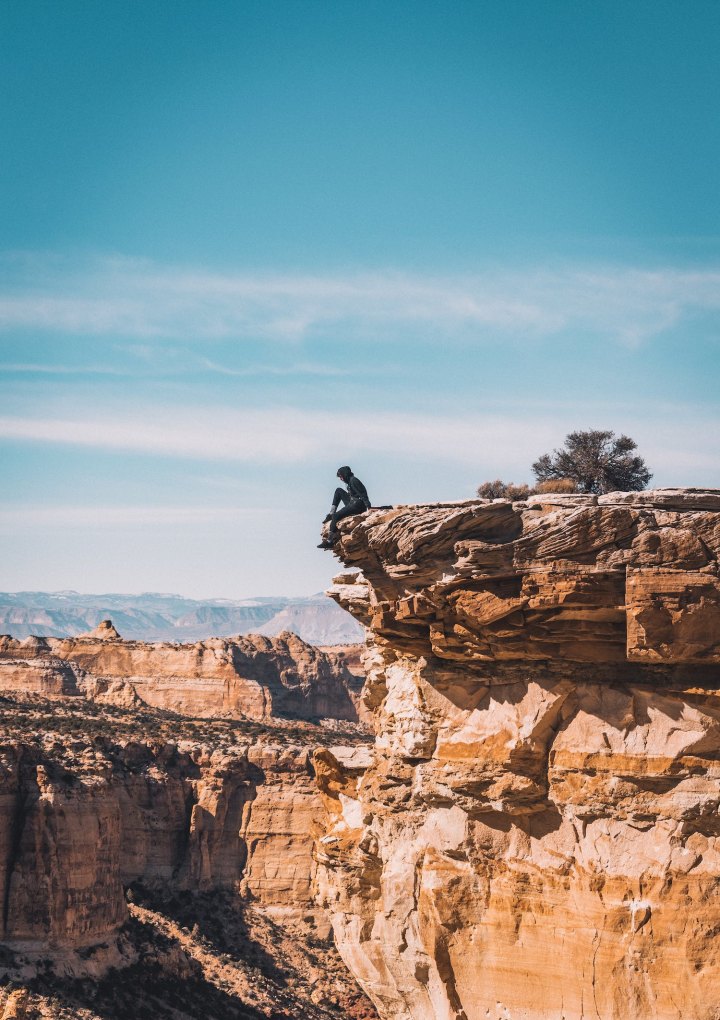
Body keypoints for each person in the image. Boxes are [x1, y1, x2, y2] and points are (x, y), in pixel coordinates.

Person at [317, 466, 371, 549]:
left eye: (341, 477)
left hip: (357, 505)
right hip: (352, 501)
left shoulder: (354, 481)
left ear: (345, 475)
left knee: (336, 516)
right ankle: (331, 513)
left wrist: (369, 507)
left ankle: (329, 541)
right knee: (338, 491)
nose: (341, 479)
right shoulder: (349, 481)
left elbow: (363, 494)